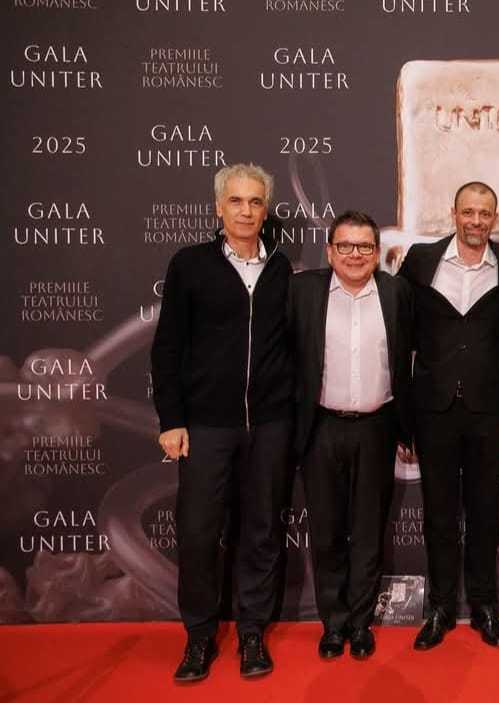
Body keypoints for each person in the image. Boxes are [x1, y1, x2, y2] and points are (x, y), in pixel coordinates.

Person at [151, 163, 293, 681]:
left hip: (269, 425)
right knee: (198, 533)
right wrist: (172, 419)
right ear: (218, 207)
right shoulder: (190, 264)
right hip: (206, 425)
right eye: (236, 201)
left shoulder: (282, 268)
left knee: (261, 530)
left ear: (265, 209)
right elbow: (167, 348)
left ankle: (252, 633)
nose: (246, 211)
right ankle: (198, 637)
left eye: (255, 201)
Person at [397, 182, 499, 649]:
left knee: (484, 511)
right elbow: (400, 334)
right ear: (453, 213)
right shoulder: (421, 260)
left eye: (485, 213)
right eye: (468, 212)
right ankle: (439, 608)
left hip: (487, 408)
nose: (476, 221)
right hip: (432, 407)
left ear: (495, 218)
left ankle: (484, 605)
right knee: (438, 513)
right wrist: (403, 416)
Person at [289, 211, 413, 661]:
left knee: (367, 532)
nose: (354, 254)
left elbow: (408, 360)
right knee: (326, 532)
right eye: (345, 245)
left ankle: (360, 625)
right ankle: (333, 625)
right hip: (320, 427)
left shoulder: (397, 293)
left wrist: (407, 428)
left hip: (377, 427)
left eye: (364, 246)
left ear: (377, 253)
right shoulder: (303, 291)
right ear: (329, 251)